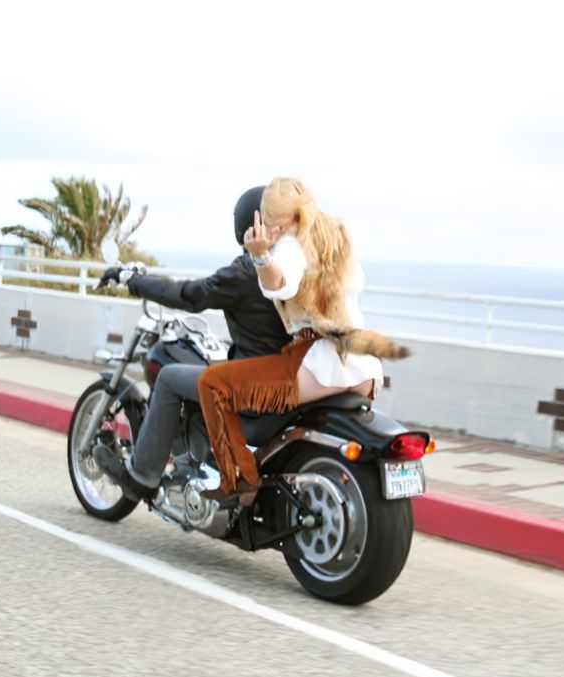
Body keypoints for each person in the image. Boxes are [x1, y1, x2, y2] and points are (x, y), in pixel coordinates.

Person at [197, 176, 409, 508]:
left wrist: (260, 256)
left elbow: (281, 283)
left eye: (269, 218)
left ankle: (240, 481)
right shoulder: (335, 234)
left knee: (213, 383)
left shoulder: (291, 245)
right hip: (363, 367)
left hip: (320, 363)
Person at [93, 186, 292, 502]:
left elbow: (189, 295)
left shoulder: (247, 271)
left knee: (170, 378)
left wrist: (132, 280)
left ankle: (141, 476)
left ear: (247, 224)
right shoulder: (294, 266)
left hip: (256, 388)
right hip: (293, 380)